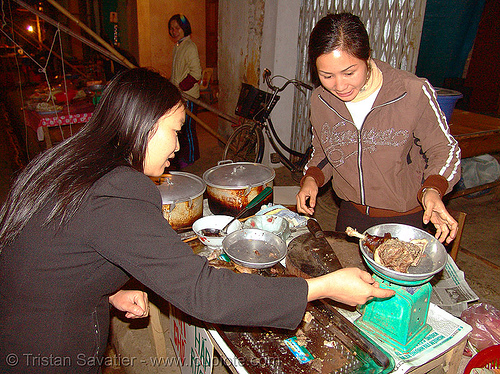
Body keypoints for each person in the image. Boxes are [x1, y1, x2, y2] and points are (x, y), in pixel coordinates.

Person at [0, 67, 394, 373]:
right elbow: (202, 292)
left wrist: (104, 291)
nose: (177, 145)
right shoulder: (117, 190)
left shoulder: (72, 160)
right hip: (46, 349)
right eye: (174, 131)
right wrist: (322, 286)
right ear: (143, 124)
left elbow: (50, 256)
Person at [296, 13, 461, 244]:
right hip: (351, 217)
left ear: (367, 57)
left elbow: (445, 149)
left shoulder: (411, 92)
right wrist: (312, 178)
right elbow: (324, 152)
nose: (340, 86)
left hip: (406, 219)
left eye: (349, 72)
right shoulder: (321, 100)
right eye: (327, 75)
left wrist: (433, 189)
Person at [168, 13, 202, 169]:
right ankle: (186, 155)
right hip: (179, 95)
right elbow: (177, 71)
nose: (174, 31)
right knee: (181, 128)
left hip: (190, 96)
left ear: (184, 29)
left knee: (188, 128)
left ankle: (193, 157)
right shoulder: (178, 46)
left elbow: (196, 73)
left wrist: (181, 87)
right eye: (172, 28)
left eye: (177, 28)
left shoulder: (190, 47)